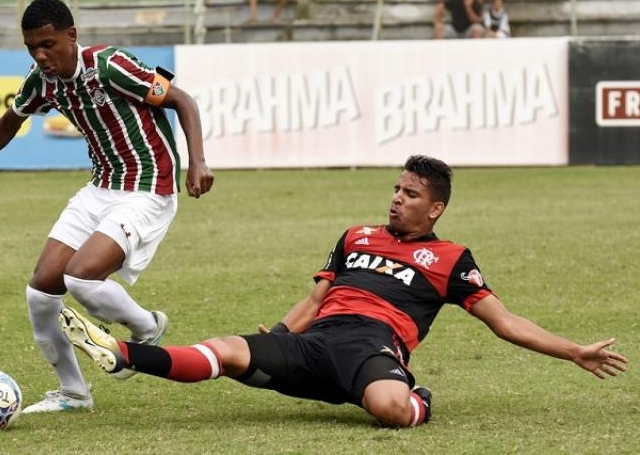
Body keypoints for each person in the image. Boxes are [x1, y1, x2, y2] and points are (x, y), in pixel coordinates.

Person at [60, 155, 628, 428]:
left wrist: (573, 350)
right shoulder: (356, 237)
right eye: (395, 188)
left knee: (389, 410)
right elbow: (313, 301)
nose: (396, 199)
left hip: (372, 348)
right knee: (228, 350)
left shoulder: (452, 259)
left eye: (410, 194)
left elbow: (505, 323)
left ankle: (417, 395)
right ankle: (121, 353)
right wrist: (279, 335)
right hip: (318, 340)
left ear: (435, 208)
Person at [0, 0, 214, 413]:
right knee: (40, 293)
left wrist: (198, 161)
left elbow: (181, 100)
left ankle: (146, 327)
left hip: (148, 187)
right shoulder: (42, 80)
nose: (40, 56)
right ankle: (74, 393)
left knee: (81, 278)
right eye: (31, 48)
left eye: (47, 44)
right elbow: (9, 121)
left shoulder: (110, 66)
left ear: (70, 36)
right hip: (101, 187)